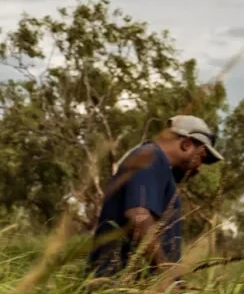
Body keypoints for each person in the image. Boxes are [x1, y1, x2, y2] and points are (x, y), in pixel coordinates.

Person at [87, 116, 221, 279]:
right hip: (114, 288)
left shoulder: (158, 165)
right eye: (201, 157)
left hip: (130, 289)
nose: (199, 168)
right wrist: (165, 277)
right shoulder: (151, 157)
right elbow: (139, 216)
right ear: (186, 144)